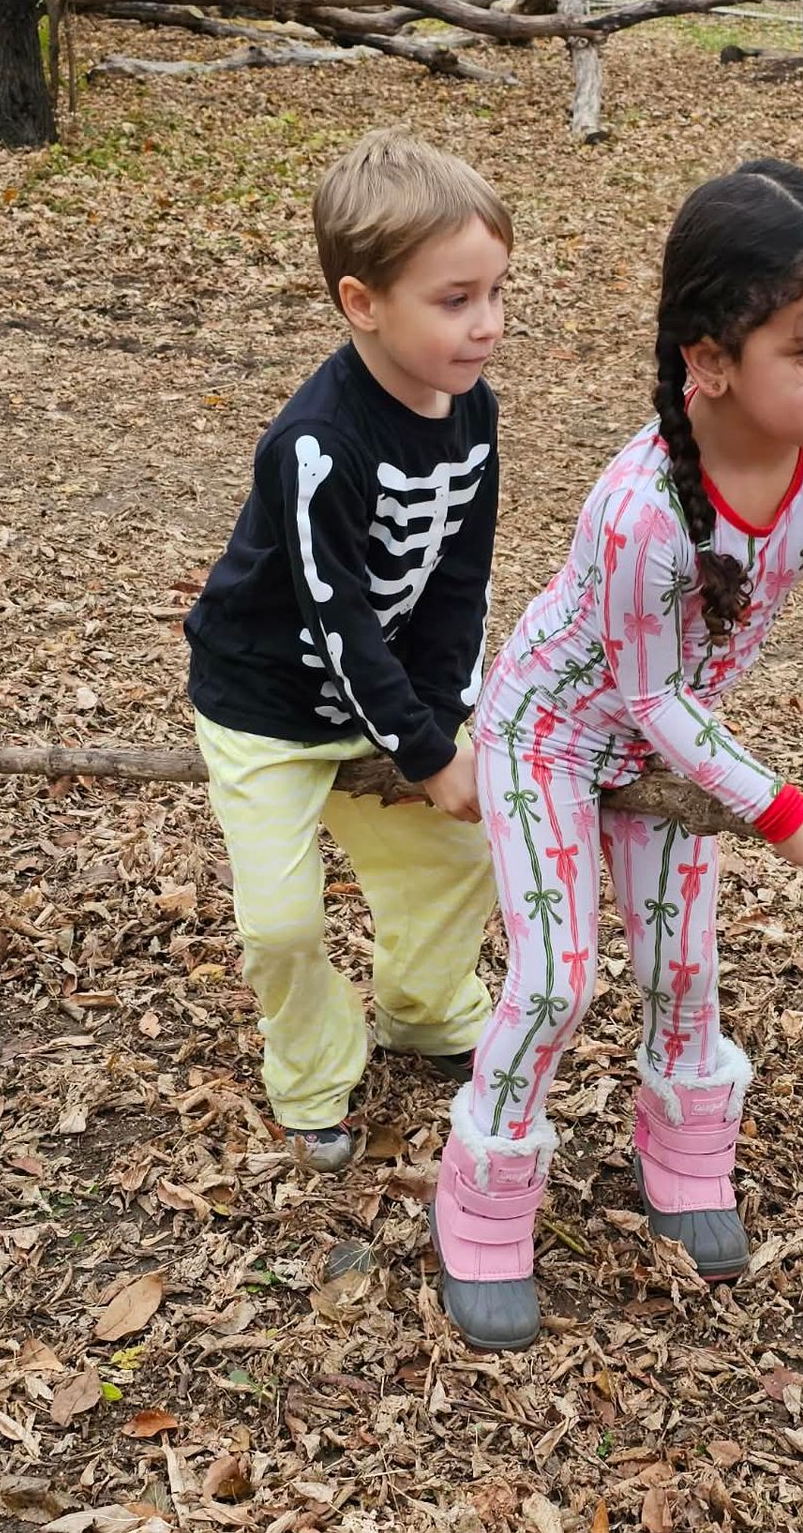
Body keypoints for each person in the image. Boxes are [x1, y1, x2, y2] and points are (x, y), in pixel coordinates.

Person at [431, 159, 803, 1348]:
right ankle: (484, 1194)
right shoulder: (642, 510)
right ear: (708, 362)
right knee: (555, 980)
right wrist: (778, 806)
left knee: (684, 969)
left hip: (677, 752)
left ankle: (684, 1152)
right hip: (553, 731)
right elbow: (648, 695)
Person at [183, 130, 512, 1173]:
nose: (486, 325)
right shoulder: (317, 445)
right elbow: (337, 621)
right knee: (282, 925)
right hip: (266, 708)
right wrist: (423, 751)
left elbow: (461, 580)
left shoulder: (472, 412)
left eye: (496, 293)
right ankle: (316, 1073)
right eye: (454, 301)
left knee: (459, 860)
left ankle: (422, 1008)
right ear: (362, 303)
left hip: (391, 701)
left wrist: (443, 721)